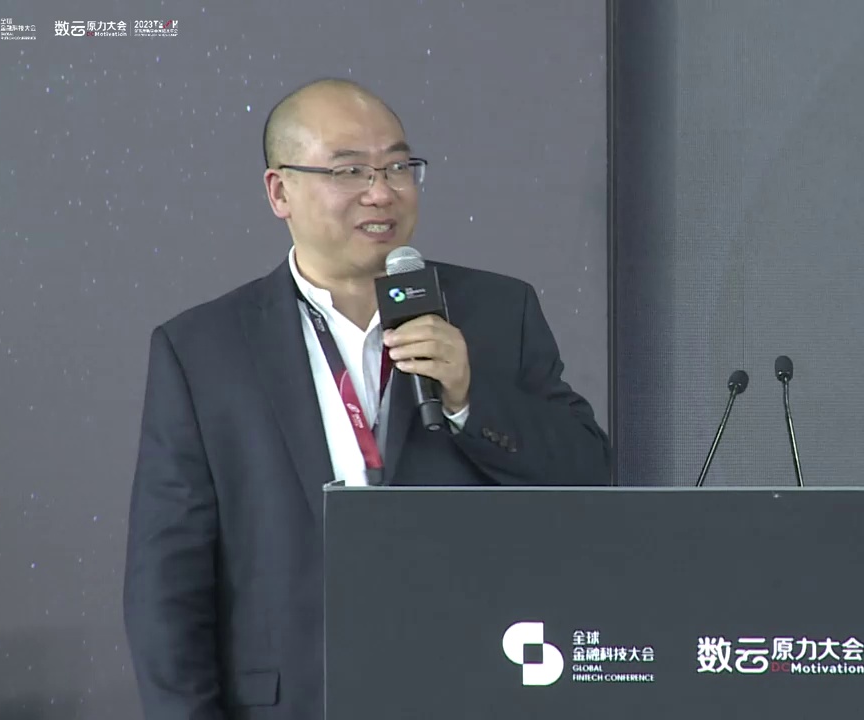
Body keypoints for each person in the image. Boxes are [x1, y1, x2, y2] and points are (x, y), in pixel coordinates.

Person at [122, 77, 612, 719]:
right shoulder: (203, 349)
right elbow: (166, 580)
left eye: (399, 167)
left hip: (473, 688)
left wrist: (469, 398)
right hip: (296, 702)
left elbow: (588, 473)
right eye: (349, 170)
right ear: (279, 191)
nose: (381, 192)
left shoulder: (497, 311)